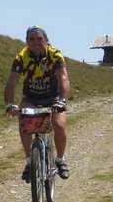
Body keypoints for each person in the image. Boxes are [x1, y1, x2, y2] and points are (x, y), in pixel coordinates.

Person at [4, 25, 71, 181]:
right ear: (26, 42)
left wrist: (62, 101)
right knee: (24, 123)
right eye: (31, 39)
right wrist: (9, 103)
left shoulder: (55, 55)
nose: (36, 42)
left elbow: (64, 79)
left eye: (39, 39)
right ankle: (29, 161)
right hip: (31, 98)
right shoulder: (21, 57)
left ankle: (60, 159)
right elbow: (11, 82)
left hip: (53, 97)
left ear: (46, 40)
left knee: (59, 125)